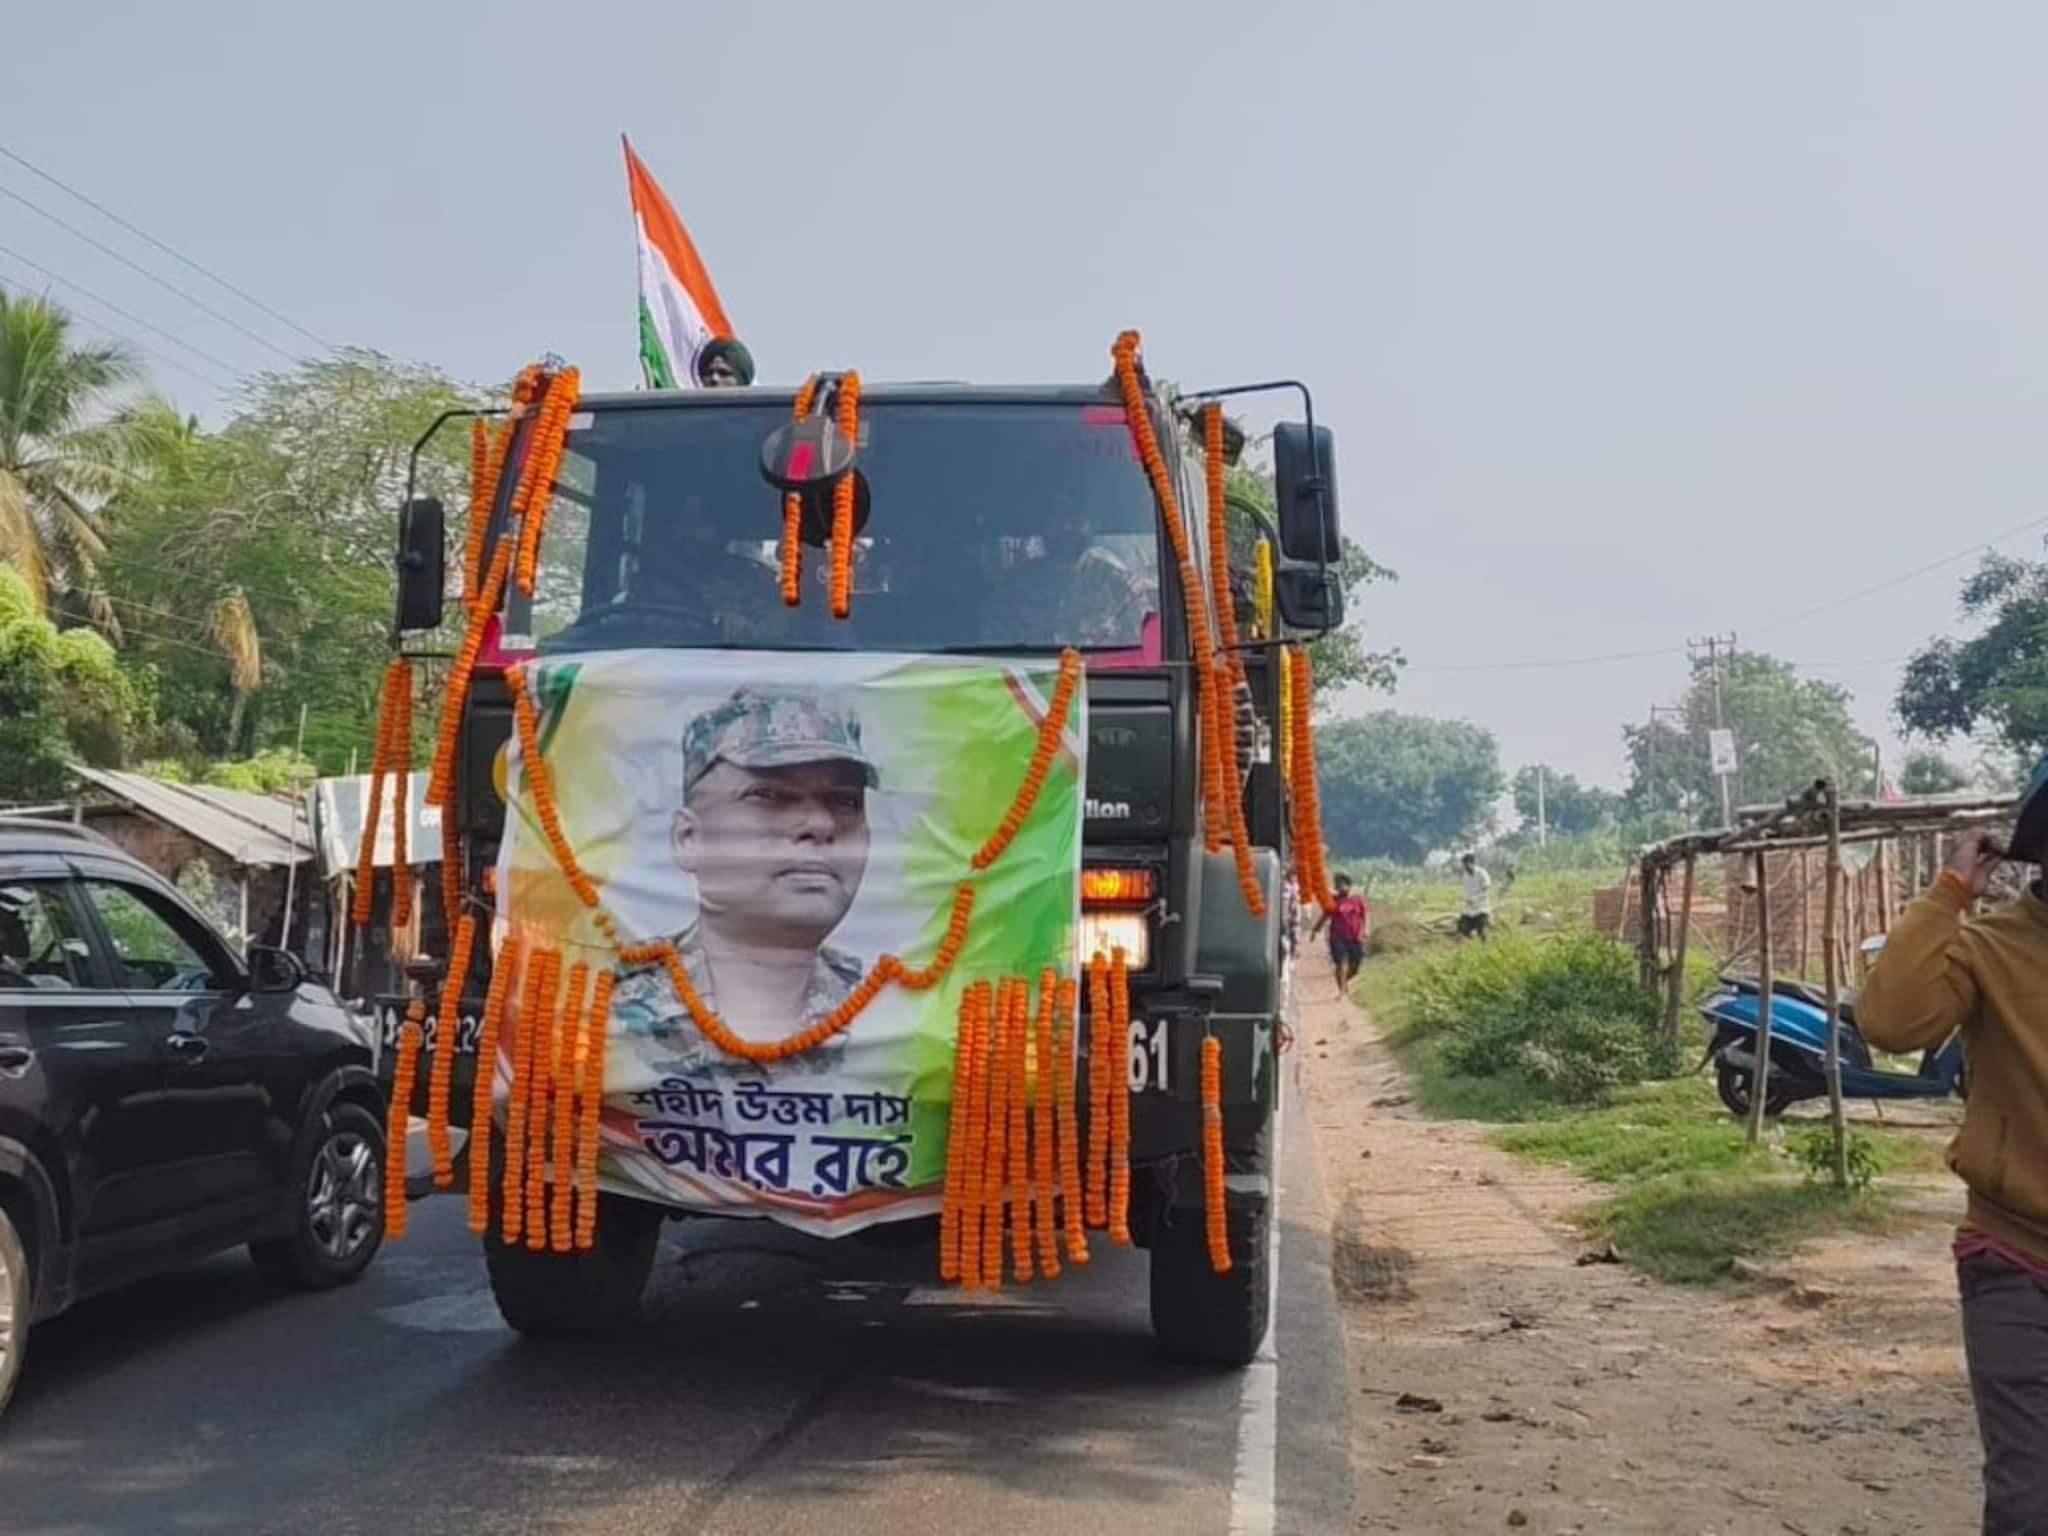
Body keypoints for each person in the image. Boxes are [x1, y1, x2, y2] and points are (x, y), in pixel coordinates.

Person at [1861, 790, 2048, 1535]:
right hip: (2016, 1260)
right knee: (2028, 1502)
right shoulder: (1992, 946)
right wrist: (1947, 897)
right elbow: (1890, 1022)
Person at [610, 687, 875, 1076]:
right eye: (768, 795)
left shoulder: (895, 1013)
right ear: (689, 838)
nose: (821, 825)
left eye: (845, 801)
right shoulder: (601, 1008)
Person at [1310, 873, 1369, 991]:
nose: (1340, 888)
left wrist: (1366, 929)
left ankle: (1344, 981)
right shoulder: (1333, 901)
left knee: (1356, 965)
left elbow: (1365, 915)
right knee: (1341, 964)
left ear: (1349, 886)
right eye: (1338, 886)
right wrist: (1315, 931)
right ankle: (1342, 991)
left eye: (1342, 885)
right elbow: (1324, 916)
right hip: (1337, 937)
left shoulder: (1357, 900)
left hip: (1354, 937)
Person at [1457, 853, 1492, 941]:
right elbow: (1467, 891)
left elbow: (1487, 891)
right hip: (1469, 908)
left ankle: (1486, 947)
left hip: (1481, 907)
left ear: (1472, 863)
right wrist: (1467, 900)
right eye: (1464, 865)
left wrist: (1476, 898)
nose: (1465, 867)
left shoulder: (1482, 873)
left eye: (1466, 864)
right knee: (1462, 928)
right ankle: (1472, 942)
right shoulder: (1465, 876)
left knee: (1482, 931)